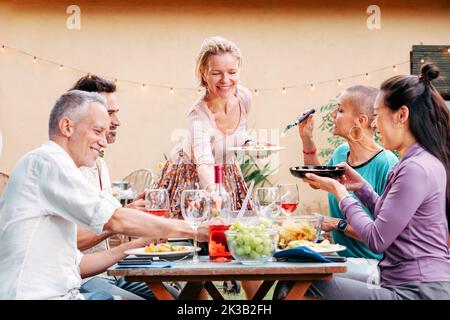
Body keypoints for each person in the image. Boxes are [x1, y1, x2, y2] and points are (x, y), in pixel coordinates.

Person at [0, 90, 208, 299]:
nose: (104, 142)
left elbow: (78, 264)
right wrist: (195, 230)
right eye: (97, 131)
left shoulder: (55, 168)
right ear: (67, 127)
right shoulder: (47, 162)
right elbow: (115, 218)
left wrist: (137, 245)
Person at [301, 64, 450, 299]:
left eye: (378, 115)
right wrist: (362, 188)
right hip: (404, 282)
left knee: (303, 286)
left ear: (402, 115)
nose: (374, 124)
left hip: (417, 291)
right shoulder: (415, 160)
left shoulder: (415, 168)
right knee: (302, 280)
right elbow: (388, 215)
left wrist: (341, 193)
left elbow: (377, 238)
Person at [70, 75, 178, 300]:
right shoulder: (70, 168)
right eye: (109, 114)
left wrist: (133, 210)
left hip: (112, 270)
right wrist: (119, 219)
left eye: (115, 112)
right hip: (84, 279)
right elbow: (74, 239)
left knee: (182, 295)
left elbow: (107, 219)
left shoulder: (99, 163)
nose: (117, 121)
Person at [297, 85, 398, 280]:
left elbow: (384, 235)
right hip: (340, 259)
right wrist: (307, 138)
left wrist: (337, 224)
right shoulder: (342, 153)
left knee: (302, 282)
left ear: (361, 121)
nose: (333, 114)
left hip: (373, 264)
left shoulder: (386, 163)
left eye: (341, 110)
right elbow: (315, 181)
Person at [156, 36, 252, 217]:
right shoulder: (198, 116)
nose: (226, 80)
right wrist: (213, 190)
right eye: (216, 73)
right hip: (191, 177)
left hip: (228, 171)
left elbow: (240, 131)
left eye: (232, 72)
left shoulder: (244, 97)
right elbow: (203, 162)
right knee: (194, 236)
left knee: (233, 235)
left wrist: (250, 144)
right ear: (203, 72)